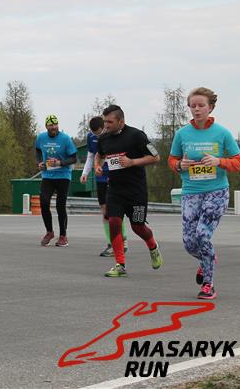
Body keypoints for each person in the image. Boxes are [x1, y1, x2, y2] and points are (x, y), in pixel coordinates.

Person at [168, 87, 240, 299]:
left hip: (216, 192)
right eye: (193, 106)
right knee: (189, 242)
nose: (197, 109)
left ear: (210, 107)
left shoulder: (222, 133)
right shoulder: (182, 134)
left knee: (203, 234)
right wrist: (179, 165)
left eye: (201, 105)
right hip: (191, 192)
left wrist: (219, 161)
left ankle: (208, 284)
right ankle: (207, 258)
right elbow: (172, 160)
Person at [95, 104, 163, 277]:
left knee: (138, 227)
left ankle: (153, 247)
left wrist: (132, 162)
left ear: (121, 121)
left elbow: (156, 157)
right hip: (115, 190)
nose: (106, 125)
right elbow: (99, 155)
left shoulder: (137, 136)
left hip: (136, 192)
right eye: (104, 121)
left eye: (110, 122)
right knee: (114, 222)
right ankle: (120, 264)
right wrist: (97, 166)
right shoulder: (104, 138)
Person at [81, 116, 128, 256]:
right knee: (105, 211)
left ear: (104, 128)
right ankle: (111, 243)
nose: (97, 137)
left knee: (115, 209)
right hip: (100, 176)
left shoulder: (114, 134)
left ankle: (122, 240)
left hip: (114, 175)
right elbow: (91, 156)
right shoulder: (91, 137)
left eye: (99, 133)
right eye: (94, 134)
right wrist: (85, 173)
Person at [35, 114, 77, 247]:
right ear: (46, 126)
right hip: (48, 175)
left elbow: (74, 158)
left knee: (60, 205)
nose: (53, 127)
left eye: (55, 125)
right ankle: (49, 232)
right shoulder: (41, 137)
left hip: (63, 176)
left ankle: (63, 236)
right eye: (50, 125)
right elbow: (37, 150)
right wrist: (40, 162)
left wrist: (60, 163)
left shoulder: (65, 139)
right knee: (44, 202)